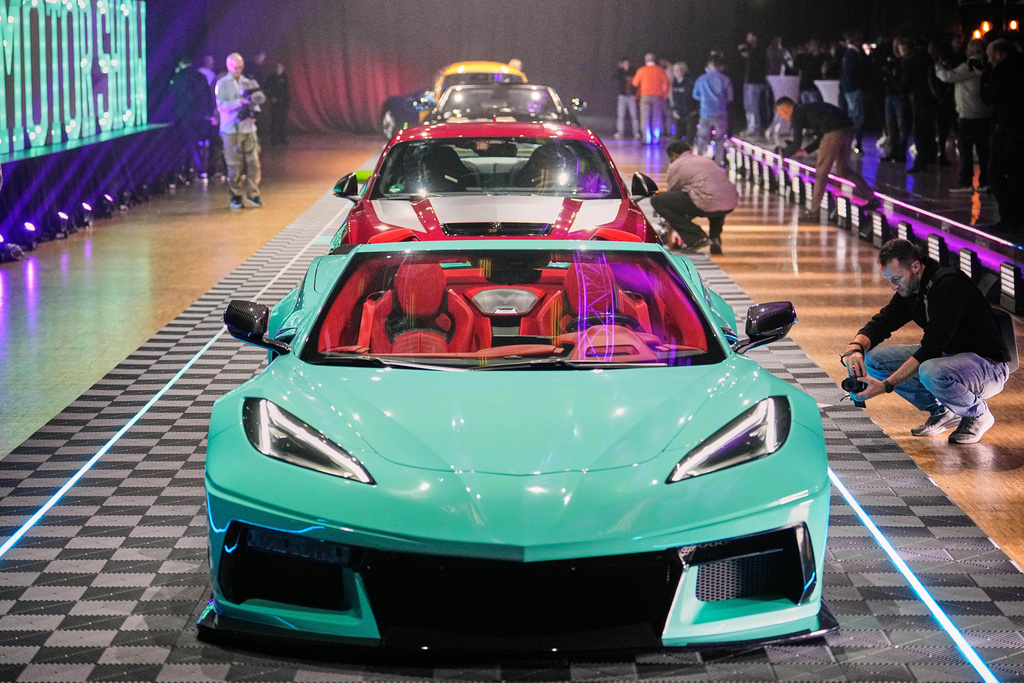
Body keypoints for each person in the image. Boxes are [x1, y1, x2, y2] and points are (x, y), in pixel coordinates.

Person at [843, 239, 1010, 444]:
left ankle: (978, 413)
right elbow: (881, 324)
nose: (893, 286)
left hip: (988, 366)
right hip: (948, 358)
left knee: (930, 370)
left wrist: (885, 385)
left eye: (896, 278)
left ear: (915, 267)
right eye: (889, 280)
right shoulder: (911, 291)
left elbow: (931, 348)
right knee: (874, 359)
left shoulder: (949, 285)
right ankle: (944, 411)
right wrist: (855, 348)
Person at [774, 96, 878, 219]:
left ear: (787, 107)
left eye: (781, 113)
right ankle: (872, 198)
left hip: (834, 132)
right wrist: (806, 151)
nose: (783, 117)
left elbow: (797, 143)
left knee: (821, 172)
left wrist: (783, 154)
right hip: (847, 129)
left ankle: (814, 211)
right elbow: (820, 135)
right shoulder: (808, 110)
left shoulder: (797, 114)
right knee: (843, 170)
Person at [650, 140, 738, 255]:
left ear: (674, 154)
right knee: (717, 200)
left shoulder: (677, 165)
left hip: (706, 201)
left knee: (658, 200)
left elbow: (673, 193)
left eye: (670, 158)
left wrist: (672, 227)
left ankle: (697, 236)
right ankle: (715, 239)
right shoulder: (706, 160)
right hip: (730, 201)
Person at [977, 39, 1024, 234]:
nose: (988, 59)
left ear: (998, 53)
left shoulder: (1002, 69)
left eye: (990, 55)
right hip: (1020, 126)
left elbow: (988, 98)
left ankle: (1009, 219)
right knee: (1017, 175)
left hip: (1007, 126)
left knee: (996, 174)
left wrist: (983, 77)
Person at [935, 38, 993, 193]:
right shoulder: (987, 65)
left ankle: (965, 180)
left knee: (965, 149)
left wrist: (937, 67)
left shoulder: (969, 65)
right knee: (983, 150)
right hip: (985, 113)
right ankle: (985, 181)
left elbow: (948, 77)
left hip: (968, 114)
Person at [215, 53, 265, 210]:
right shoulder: (222, 84)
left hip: (248, 128)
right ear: (229, 66)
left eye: (241, 67)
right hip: (230, 129)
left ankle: (253, 192)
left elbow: (257, 102)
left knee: (254, 162)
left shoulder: (248, 82)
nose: (239, 70)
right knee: (233, 164)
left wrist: (254, 113)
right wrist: (239, 103)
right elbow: (221, 106)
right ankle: (236, 196)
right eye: (236, 68)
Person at [169, 56, 216, 177]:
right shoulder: (201, 76)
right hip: (200, 115)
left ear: (180, 64)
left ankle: (186, 171)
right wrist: (209, 113)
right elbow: (208, 96)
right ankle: (202, 170)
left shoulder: (179, 77)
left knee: (185, 144)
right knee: (198, 143)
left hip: (184, 115)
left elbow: (172, 94)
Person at [692, 55, 733, 165]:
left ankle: (700, 161)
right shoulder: (725, 79)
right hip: (721, 112)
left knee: (702, 138)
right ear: (719, 66)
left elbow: (695, 95)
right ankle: (719, 163)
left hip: (705, 112)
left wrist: (705, 99)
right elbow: (730, 97)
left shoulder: (701, 79)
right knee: (720, 140)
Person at [632, 53, 670, 144]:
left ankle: (646, 139)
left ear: (646, 60)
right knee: (656, 118)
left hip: (645, 96)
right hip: (658, 97)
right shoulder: (660, 70)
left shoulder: (642, 70)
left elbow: (634, 84)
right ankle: (656, 139)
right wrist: (664, 95)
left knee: (645, 118)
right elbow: (666, 84)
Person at [839, 31, 867, 153]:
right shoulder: (852, 54)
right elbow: (851, 73)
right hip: (853, 90)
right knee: (857, 118)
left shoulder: (847, 54)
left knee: (853, 116)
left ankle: (849, 142)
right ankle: (855, 143)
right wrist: (856, 87)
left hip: (848, 89)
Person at [737, 32, 768, 136]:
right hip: (748, 80)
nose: (747, 39)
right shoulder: (752, 49)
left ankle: (755, 127)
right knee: (748, 105)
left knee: (753, 105)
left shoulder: (759, 49)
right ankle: (750, 126)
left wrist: (744, 50)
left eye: (750, 37)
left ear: (755, 37)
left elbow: (753, 58)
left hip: (756, 81)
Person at [264, 62, 291, 145]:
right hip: (275, 101)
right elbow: (267, 88)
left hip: (284, 101)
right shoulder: (271, 77)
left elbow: (286, 89)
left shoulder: (284, 77)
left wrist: (288, 100)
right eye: (277, 67)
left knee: (283, 120)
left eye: (280, 67)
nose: (279, 69)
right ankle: (274, 139)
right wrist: (271, 97)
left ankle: (283, 138)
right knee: (275, 120)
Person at [613, 57, 640, 140]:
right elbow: (615, 77)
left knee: (634, 115)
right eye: (624, 63)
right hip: (622, 96)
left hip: (631, 96)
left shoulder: (633, 71)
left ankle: (636, 132)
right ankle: (620, 132)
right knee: (620, 115)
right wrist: (620, 68)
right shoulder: (620, 72)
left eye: (627, 63)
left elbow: (636, 82)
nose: (626, 64)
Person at [670, 61, 696, 142]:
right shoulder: (675, 83)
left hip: (690, 114)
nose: (676, 72)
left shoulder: (691, 81)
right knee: (677, 139)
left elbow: (696, 96)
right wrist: (674, 109)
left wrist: (695, 110)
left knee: (689, 140)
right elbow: (674, 97)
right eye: (674, 70)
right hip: (679, 114)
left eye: (678, 70)